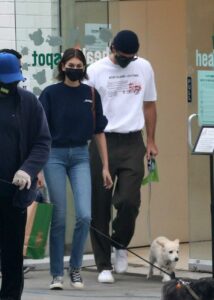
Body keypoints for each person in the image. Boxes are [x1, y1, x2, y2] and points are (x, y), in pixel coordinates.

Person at [86, 29, 158, 283]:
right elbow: (90, 108)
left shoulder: (144, 67)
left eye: (132, 56)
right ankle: (103, 264)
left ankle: (119, 244)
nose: (128, 60)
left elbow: (149, 104)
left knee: (129, 201)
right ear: (112, 48)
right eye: (124, 56)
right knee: (100, 204)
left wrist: (150, 140)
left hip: (132, 140)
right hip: (102, 139)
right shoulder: (95, 71)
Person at [39, 48, 113, 290]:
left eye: (79, 65)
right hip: (54, 156)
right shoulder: (50, 94)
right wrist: (37, 169)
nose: (75, 69)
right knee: (59, 217)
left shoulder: (91, 93)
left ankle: (76, 269)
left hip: (81, 154)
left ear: (84, 68)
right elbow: (39, 133)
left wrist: (105, 166)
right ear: (62, 67)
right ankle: (57, 274)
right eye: (71, 64)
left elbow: (99, 131)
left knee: (84, 215)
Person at [0, 52, 51, 300]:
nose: (8, 87)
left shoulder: (29, 102)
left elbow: (42, 142)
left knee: (11, 256)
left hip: (14, 194)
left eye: (12, 82)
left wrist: (28, 169)